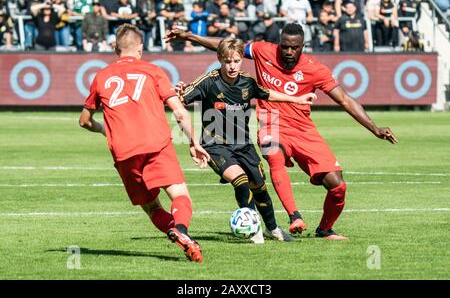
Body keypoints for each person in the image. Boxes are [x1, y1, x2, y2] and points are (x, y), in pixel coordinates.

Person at [165, 22, 398, 240]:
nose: (287, 51)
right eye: (284, 46)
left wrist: (374, 127)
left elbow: (345, 100)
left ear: (302, 47)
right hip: (271, 122)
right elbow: (226, 47)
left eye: (293, 48)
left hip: (303, 130)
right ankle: (293, 216)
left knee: (337, 185)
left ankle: (324, 229)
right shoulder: (262, 50)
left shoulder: (315, 69)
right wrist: (191, 37)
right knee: (273, 156)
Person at [79, 24, 209, 262]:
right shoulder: (152, 70)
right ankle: (181, 229)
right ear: (140, 48)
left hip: (124, 152)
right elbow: (179, 112)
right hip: (156, 144)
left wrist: (104, 131)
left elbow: (85, 121)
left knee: (152, 208)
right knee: (181, 195)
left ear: (115, 48)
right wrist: (194, 142)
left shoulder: (101, 76)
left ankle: (182, 237)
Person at [176, 37, 317, 243]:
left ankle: (273, 228)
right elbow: (181, 98)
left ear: (242, 59)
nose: (232, 66)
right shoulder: (209, 81)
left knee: (260, 187)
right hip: (215, 144)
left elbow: (268, 94)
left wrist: (297, 99)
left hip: (244, 145)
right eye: (227, 61)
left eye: (236, 61)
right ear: (219, 59)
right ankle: (254, 229)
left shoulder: (247, 82)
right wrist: (178, 92)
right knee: (241, 181)